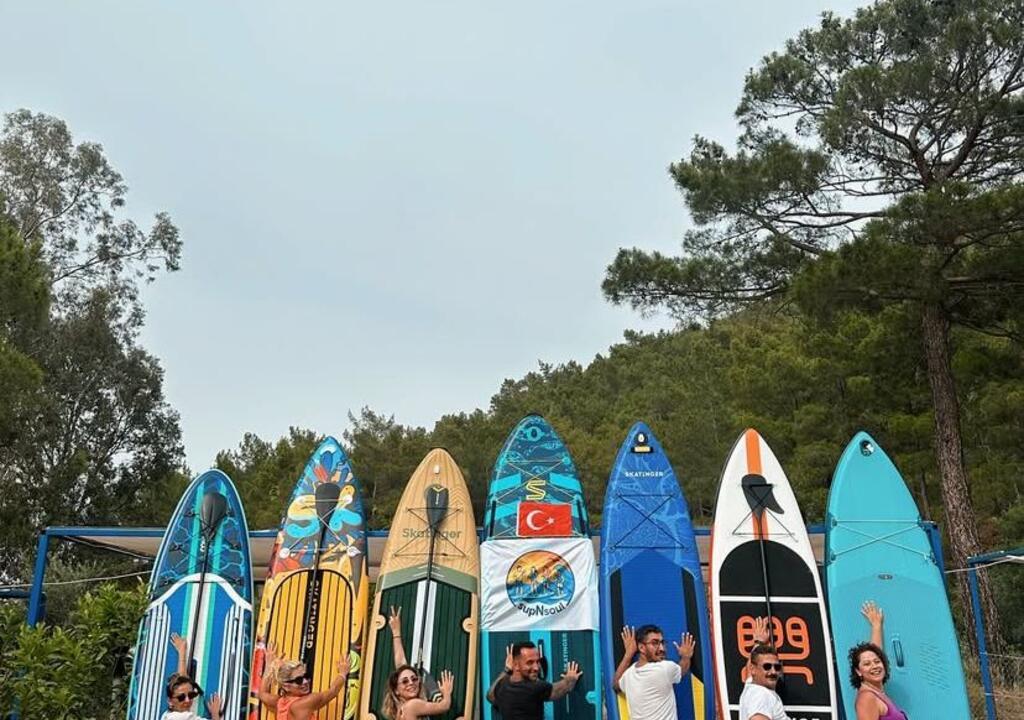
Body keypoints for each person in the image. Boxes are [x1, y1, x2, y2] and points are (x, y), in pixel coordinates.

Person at [612, 624, 695, 720]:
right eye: (655, 643)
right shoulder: (665, 669)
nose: (661, 648)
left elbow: (616, 685)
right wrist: (686, 657)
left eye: (662, 643)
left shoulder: (629, 674)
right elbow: (682, 669)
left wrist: (628, 654)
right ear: (641, 648)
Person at [486, 641, 582, 720]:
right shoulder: (534, 688)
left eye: (537, 661)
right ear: (515, 665)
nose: (536, 667)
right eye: (530, 663)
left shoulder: (503, 685)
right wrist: (571, 678)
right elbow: (563, 688)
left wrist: (507, 669)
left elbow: (490, 696)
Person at [254, 642, 350, 720]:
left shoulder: (278, 704)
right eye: (299, 680)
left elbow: (262, 694)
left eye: (306, 676)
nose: (305, 681)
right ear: (286, 686)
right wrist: (342, 673)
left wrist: (269, 666)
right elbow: (333, 691)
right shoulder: (306, 702)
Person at [849, 601, 908, 720]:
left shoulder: (877, 692)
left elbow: (876, 653)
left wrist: (876, 626)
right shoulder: (867, 698)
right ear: (858, 671)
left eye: (877, 662)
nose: (874, 666)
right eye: (866, 664)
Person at [163, 633, 221, 720]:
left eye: (191, 695)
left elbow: (183, 684)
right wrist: (215, 713)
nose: (187, 700)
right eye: (181, 697)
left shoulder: (167, 716)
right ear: (170, 701)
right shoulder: (183, 717)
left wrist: (182, 652)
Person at [381, 664, 455, 719]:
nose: (411, 683)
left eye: (414, 679)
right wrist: (447, 692)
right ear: (396, 691)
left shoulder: (399, 712)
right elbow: (443, 706)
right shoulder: (412, 705)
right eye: (405, 681)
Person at [738, 643, 790, 720]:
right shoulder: (762, 694)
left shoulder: (751, 686)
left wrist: (759, 642)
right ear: (753, 669)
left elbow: (749, 668)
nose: (773, 672)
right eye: (767, 667)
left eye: (777, 667)